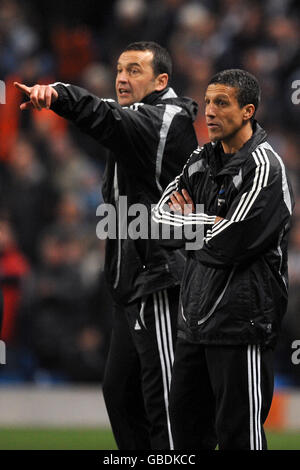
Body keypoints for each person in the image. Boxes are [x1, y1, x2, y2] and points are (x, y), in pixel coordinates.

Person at [15, 41, 198, 450]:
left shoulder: (168, 120)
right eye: (119, 69)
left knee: (165, 401)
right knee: (119, 394)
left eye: (134, 70)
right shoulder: (134, 120)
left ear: (161, 80)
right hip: (130, 283)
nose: (121, 77)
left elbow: (103, 116)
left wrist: (60, 94)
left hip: (164, 278)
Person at [152, 69, 294, 450]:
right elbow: (158, 223)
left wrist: (189, 222)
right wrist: (207, 223)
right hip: (194, 323)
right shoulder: (200, 159)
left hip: (240, 325)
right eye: (208, 101)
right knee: (184, 439)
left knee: (239, 439)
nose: (210, 111)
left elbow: (230, 243)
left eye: (222, 103)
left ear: (248, 111)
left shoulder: (266, 168)